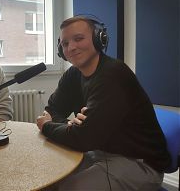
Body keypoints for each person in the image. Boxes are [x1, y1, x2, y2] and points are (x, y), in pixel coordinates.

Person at [36, 15, 170, 190]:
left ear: (100, 38)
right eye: (65, 43)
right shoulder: (73, 74)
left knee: (69, 188)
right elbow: (52, 110)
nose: (71, 47)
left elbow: (83, 138)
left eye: (78, 38)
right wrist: (70, 127)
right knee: (50, 180)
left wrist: (48, 126)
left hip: (139, 163)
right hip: (98, 152)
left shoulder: (113, 75)